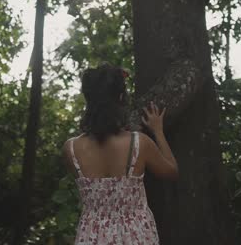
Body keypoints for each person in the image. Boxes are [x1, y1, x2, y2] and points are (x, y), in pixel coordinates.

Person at [62, 64, 179, 244]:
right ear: (121, 97)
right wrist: (158, 131)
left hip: (93, 237)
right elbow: (171, 171)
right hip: (137, 236)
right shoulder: (139, 143)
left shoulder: (71, 149)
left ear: (88, 99)